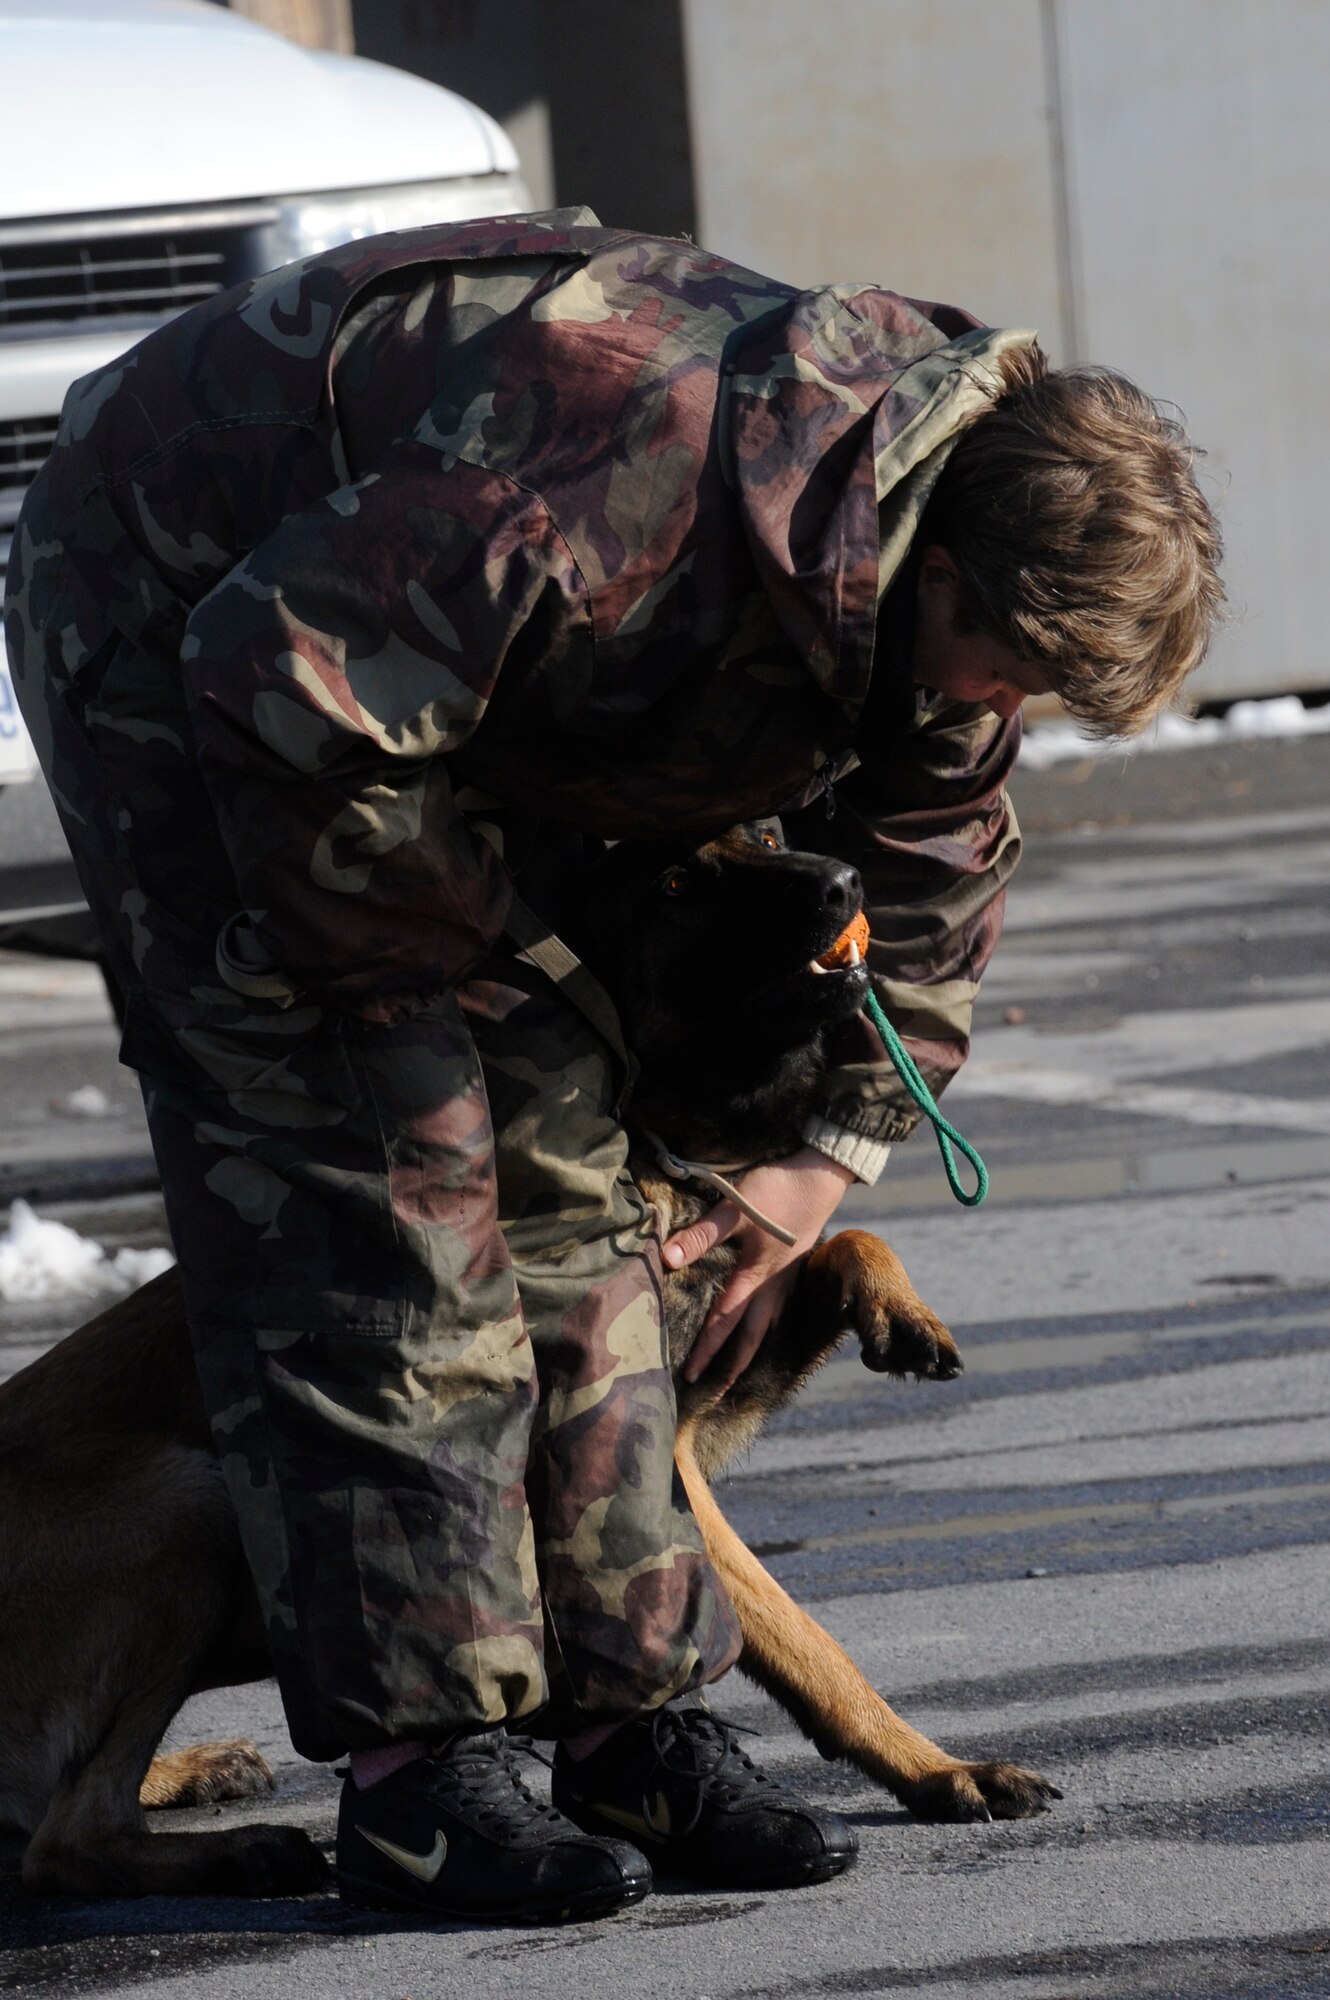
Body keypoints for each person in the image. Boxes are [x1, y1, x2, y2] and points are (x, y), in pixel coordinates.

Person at [4, 208, 1222, 1924]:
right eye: (1007, 668)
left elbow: (931, 874)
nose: (998, 705)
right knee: (387, 1171)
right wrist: (518, 946)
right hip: (202, 616)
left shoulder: (926, 557)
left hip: (441, 659)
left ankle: (627, 1717)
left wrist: (799, 1182)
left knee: (584, 1179)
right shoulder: (627, 481)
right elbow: (288, 683)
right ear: (937, 565)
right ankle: (422, 1777)